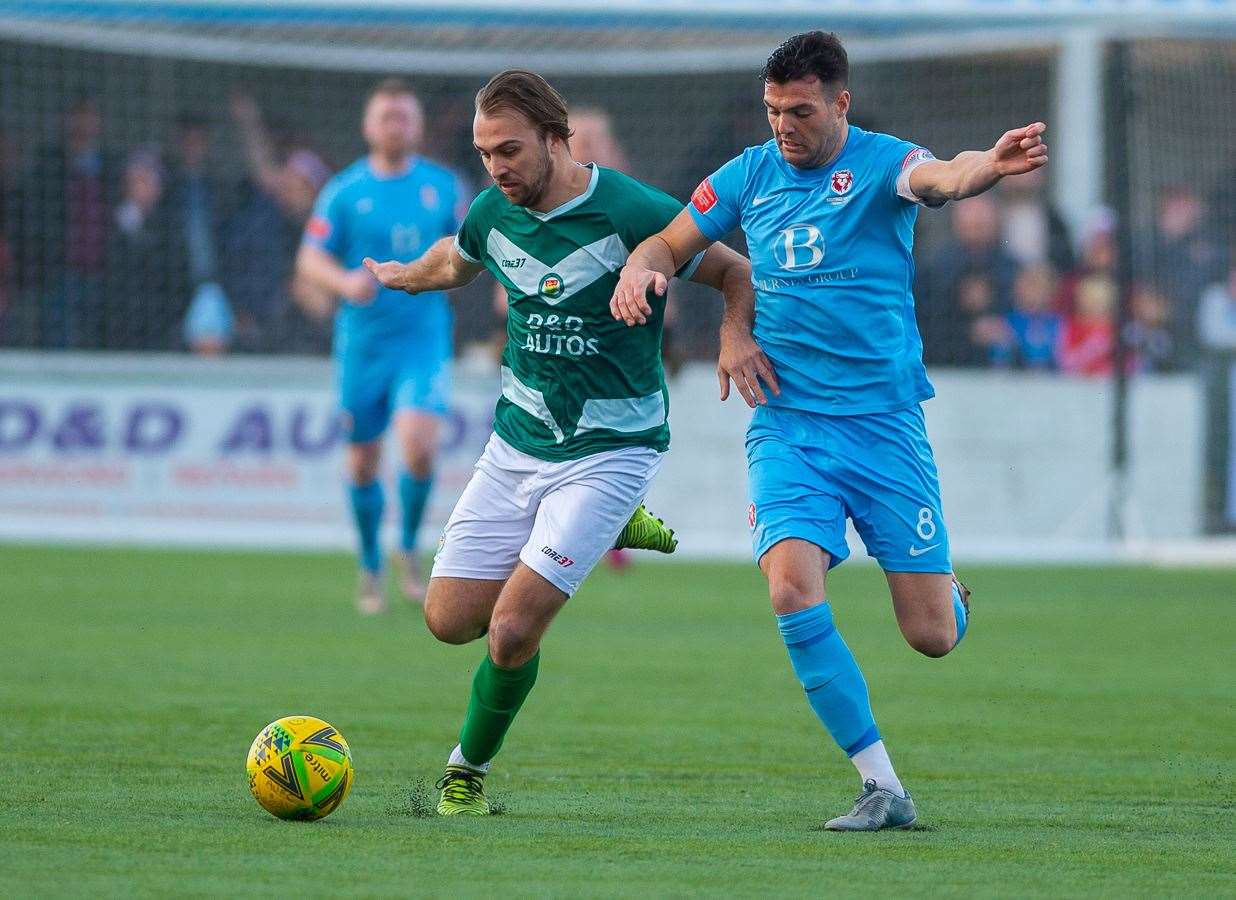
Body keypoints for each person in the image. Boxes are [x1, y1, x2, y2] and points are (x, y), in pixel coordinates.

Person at [611, 31, 1048, 831]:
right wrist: (645, 269)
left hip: (884, 427)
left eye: (801, 110)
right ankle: (882, 786)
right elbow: (672, 241)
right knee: (788, 585)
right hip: (789, 422)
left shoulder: (885, 163)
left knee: (930, 638)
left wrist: (987, 164)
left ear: (840, 103)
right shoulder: (747, 174)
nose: (784, 125)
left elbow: (943, 178)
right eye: (773, 109)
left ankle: (947, 594)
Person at [363, 69, 753, 816]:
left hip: (613, 448)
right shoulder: (492, 213)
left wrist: (734, 336)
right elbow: (457, 257)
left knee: (510, 632)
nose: (497, 167)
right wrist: (406, 277)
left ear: (555, 137)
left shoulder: (630, 208)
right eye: (484, 154)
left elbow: (733, 270)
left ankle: (465, 772)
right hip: (516, 447)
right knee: (448, 621)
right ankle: (607, 525)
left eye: (509, 150)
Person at [295, 78, 471, 614]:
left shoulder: (444, 187)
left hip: (422, 338)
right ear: (368, 126)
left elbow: (472, 248)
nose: (395, 125)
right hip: (364, 344)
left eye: (404, 117)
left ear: (417, 127)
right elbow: (309, 259)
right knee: (364, 462)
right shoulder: (344, 191)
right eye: (386, 116)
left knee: (419, 444)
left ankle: (409, 548)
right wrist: (344, 283)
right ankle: (371, 561)